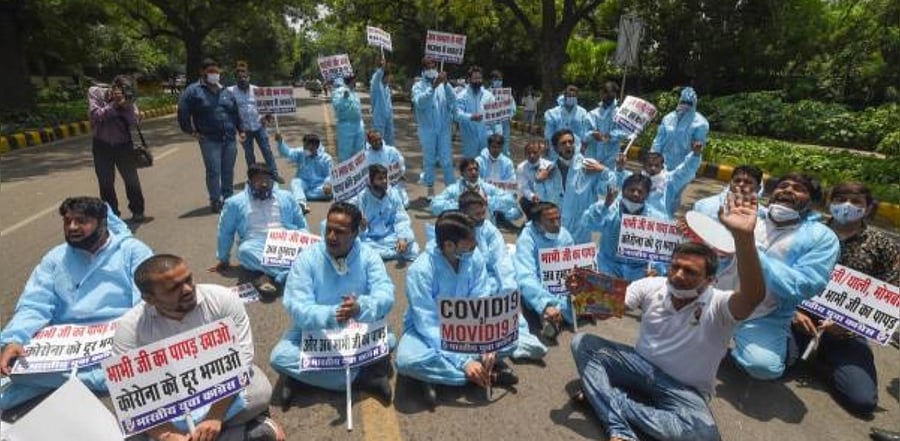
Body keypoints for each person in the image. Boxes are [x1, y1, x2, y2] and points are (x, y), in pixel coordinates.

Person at [570, 189, 765, 441]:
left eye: (690, 272)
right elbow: (610, 309)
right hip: (638, 368)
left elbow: (752, 297)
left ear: (710, 280)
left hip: (684, 391)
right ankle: (620, 429)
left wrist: (744, 238)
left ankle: (610, 398)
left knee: (704, 437)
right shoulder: (652, 285)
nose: (679, 275)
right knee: (583, 343)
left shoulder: (719, 305)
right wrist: (585, 293)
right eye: (675, 267)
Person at [0, 197, 152, 413]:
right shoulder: (55, 258)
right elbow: (35, 304)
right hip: (66, 344)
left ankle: (66, 379)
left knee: (140, 360)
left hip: (116, 339)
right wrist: (14, 339)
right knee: (15, 364)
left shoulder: (132, 251)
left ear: (102, 222)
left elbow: (146, 303)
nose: (72, 227)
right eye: (68, 221)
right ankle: (93, 378)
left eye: (81, 221)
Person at [113, 255, 285, 441]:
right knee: (129, 428)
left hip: (219, 392)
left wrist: (215, 416)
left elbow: (242, 361)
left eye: (188, 279)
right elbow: (131, 395)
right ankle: (245, 433)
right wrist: (167, 435)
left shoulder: (222, 299)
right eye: (174, 288)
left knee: (259, 391)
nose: (187, 289)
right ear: (149, 299)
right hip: (169, 404)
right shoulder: (130, 327)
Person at [789, 182, 898, 416]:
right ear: (830, 202)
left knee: (862, 402)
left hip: (847, 330)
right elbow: (784, 269)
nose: (846, 206)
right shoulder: (810, 229)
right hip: (799, 317)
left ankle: (825, 358)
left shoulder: (883, 245)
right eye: (839, 199)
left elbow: (891, 294)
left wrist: (849, 324)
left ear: (868, 208)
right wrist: (793, 312)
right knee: (777, 366)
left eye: (856, 202)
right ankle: (804, 351)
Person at [270, 202, 395, 402]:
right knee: (280, 357)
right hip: (314, 333)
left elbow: (385, 294)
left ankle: (303, 378)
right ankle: (362, 377)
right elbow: (297, 307)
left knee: (389, 341)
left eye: (340, 232)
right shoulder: (307, 258)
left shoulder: (370, 257)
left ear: (355, 233)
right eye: (328, 229)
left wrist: (360, 307)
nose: (331, 237)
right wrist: (333, 314)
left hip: (359, 329)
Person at [395, 211, 519, 406]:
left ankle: (439, 377)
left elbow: (482, 299)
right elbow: (427, 324)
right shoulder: (420, 271)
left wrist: (487, 342)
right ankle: (483, 374)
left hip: (469, 328)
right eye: (468, 244)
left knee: (511, 338)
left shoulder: (473, 256)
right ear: (449, 245)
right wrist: (464, 361)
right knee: (406, 361)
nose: (475, 247)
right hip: (428, 333)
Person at [730, 173, 840, 380]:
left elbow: (803, 285)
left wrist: (750, 249)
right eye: (784, 185)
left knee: (764, 367)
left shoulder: (822, 237)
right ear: (773, 193)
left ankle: (746, 343)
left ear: (812, 201)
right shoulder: (745, 214)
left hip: (765, 316)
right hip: (718, 302)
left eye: (799, 189)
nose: (788, 190)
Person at [458, 191, 547, 361]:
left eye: (483, 212)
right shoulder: (453, 228)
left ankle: (515, 340)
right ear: (464, 212)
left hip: (488, 283)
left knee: (507, 303)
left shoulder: (489, 229)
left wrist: (508, 292)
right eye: (477, 214)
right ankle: (490, 351)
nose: (482, 216)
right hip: (463, 287)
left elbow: (501, 262)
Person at [212, 163, 308, 300]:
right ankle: (290, 275)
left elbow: (300, 222)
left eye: (266, 180)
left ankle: (269, 276)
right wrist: (223, 258)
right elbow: (225, 232)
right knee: (244, 252)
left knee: (313, 245)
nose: (263, 184)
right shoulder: (235, 203)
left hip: (286, 240)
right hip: (256, 245)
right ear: (249, 182)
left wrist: (306, 241)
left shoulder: (286, 197)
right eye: (258, 180)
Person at [178, 58, 245, 213]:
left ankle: (228, 198)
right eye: (210, 72)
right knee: (214, 170)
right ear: (202, 72)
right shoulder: (193, 91)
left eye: (216, 71)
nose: (214, 74)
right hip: (209, 139)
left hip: (229, 138)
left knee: (228, 169)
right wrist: (191, 131)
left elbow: (234, 112)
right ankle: (215, 200)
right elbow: (183, 111)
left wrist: (241, 130)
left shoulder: (225, 91)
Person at [87, 75, 149, 222]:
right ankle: (112, 215)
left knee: (131, 180)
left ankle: (138, 210)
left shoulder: (129, 98)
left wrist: (126, 106)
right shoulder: (95, 92)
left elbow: (134, 121)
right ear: (113, 87)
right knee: (106, 182)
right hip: (101, 144)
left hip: (123, 145)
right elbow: (96, 115)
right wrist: (115, 104)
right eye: (119, 90)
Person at [581, 174, 666, 281]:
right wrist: (605, 207)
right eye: (632, 190)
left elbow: (662, 251)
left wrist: (657, 268)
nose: (635, 194)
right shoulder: (608, 208)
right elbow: (588, 225)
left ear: (647, 195)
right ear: (623, 190)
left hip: (639, 272)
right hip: (608, 268)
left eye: (640, 192)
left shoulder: (656, 218)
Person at [540, 129, 617, 244]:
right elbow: (542, 199)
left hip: (581, 230)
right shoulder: (549, 170)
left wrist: (604, 170)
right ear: (556, 148)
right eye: (563, 143)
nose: (568, 145)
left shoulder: (589, 166)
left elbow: (606, 190)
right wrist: (538, 180)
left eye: (571, 142)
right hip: (555, 227)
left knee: (578, 261)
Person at [514, 202, 576, 341]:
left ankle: (557, 315)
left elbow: (572, 263)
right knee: (534, 299)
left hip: (561, 283)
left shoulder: (564, 234)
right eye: (551, 220)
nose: (556, 224)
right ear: (537, 223)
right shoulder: (526, 239)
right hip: (538, 285)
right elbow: (526, 276)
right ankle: (549, 318)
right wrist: (545, 304)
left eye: (558, 218)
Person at [228, 61, 283, 184]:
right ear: (235, 78)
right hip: (244, 130)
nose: (243, 79)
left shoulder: (257, 90)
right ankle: (253, 178)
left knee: (267, 151)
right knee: (249, 155)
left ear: (249, 76)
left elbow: (267, 106)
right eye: (240, 77)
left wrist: (267, 117)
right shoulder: (230, 91)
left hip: (259, 127)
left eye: (245, 76)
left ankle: (274, 174)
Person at [350, 164, 419, 261]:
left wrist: (402, 238)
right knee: (358, 246)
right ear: (370, 181)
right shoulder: (361, 198)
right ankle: (389, 253)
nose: (384, 181)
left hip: (390, 236)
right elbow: (353, 226)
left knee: (411, 245)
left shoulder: (393, 194)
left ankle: (387, 252)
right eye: (379, 179)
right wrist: (361, 227)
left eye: (385, 178)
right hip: (370, 239)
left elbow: (401, 218)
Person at [412, 58, 457, 199]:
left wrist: (446, 83)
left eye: (434, 66)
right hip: (427, 130)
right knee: (429, 159)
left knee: (446, 159)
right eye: (428, 67)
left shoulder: (443, 85)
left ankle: (451, 189)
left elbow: (453, 100)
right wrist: (432, 88)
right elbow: (420, 103)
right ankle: (430, 188)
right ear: (424, 69)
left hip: (443, 128)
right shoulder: (418, 86)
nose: (432, 69)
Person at [616, 147, 702, 219]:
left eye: (656, 165)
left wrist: (695, 155)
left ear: (662, 166)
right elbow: (619, 182)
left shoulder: (669, 180)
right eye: (650, 165)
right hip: (634, 221)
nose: (653, 168)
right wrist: (620, 168)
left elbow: (685, 171)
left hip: (659, 223)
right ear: (644, 166)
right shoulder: (635, 179)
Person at [431, 158, 522, 224]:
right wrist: (461, 205)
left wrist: (487, 201)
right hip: (462, 228)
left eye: (476, 169)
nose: (474, 172)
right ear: (462, 173)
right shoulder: (454, 189)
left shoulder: (486, 187)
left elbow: (510, 200)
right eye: (470, 170)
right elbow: (435, 206)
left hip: (485, 227)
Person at [650, 87, 708, 171]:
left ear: (694, 104)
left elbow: (697, 147)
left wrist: (688, 167)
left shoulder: (700, 123)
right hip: (661, 165)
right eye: (683, 102)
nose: (685, 105)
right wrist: (653, 157)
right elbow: (658, 140)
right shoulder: (668, 118)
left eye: (689, 103)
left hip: (683, 168)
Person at [455, 65, 500, 159]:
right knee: (471, 168)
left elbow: (496, 118)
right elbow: (456, 115)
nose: (478, 80)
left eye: (480, 78)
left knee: (486, 167)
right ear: (469, 79)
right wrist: (470, 117)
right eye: (475, 78)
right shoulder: (462, 96)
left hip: (486, 138)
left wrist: (498, 134)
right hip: (469, 139)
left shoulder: (489, 96)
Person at [692, 164, 764, 221]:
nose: (741, 184)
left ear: (758, 188)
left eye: (747, 182)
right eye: (737, 180)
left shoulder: (763, 216)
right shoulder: (703, 205)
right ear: (730, 183)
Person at [276, 132, 333, 203]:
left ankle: (300, 194)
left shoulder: (326, 158)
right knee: (295, 182)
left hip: (319, 186)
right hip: (304, 183)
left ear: (315, 146)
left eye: (308, 147)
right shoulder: (301, 152)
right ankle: (301, 203)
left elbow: (330, 175)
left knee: (329, 193)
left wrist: (327, 184)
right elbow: (287, 153)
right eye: (304, 146)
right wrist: (280, 142)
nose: (305, 149)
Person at [583, 82, 625, 169]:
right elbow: (584, 134)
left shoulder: (620, 114)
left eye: (611, 92)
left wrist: (611, 135)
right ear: (601, 93)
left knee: (609, 178)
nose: (608, 95)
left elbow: (624, 132)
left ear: (615, 94)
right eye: (605, 92)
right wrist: (592, 134)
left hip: (611, 156)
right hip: (592, 155)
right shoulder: (592, 114)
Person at [543, 85, 590, 161]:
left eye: (574, 96)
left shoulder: (583, 112)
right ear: (565, 96)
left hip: (576, 148)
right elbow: (548, 132)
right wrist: (547, 145)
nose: (571, 98)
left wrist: (584, 146)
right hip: (556, 148)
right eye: (569, 95)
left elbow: (585, 131)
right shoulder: (553, 112)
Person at [364, 129, 409, 208]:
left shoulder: (391, 151)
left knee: (402, 203)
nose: (378, 142)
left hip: (393, 183)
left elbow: (400, 165)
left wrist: (400, 173)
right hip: (376, 186)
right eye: (374, 140)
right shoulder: (366, 156)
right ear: (369, 142)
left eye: (379, 139)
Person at [332, 75, 366, 161]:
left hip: (358, 125)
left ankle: (358, 173)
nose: (356, 81)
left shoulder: (354, 92)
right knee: (345, 152)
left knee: (360, 151)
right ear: (351, 80)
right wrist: (344, 98)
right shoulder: (339, 91)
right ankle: (345, 173)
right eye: (355, 79)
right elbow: (337, 106)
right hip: (346, 126)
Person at [489, 70, 516, 156]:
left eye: (500, 79)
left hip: (505, 123)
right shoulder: (487, 93)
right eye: (496, 79)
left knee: (504, 142)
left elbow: (513, 107)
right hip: (491, 123)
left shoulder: (506, 93)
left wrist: (510, 115)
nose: (498, 81)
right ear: (492, 80)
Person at [370, 58, 395, 146]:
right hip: (379, 117)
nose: (390, 78)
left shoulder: (387, 88)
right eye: (389, 76)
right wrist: (382, 68)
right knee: (378, 140)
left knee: (389, 140)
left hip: (388, 117)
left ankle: (388, 158)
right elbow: (377, 77)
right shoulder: (376, 85)